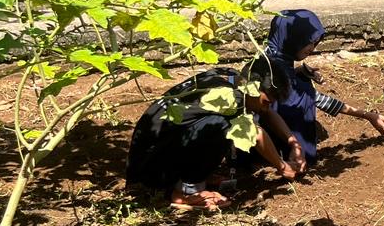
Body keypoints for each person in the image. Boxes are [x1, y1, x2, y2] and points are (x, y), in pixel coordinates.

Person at [127, 55, 300, 210]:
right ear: (251, 86)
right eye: (265, 102)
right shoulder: (229, 99)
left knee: (221, 122)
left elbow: (266, 112)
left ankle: (189, 176)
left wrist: (293, 142)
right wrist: (283, 166)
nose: (265, 107)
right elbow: (255, 133)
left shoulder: (231, 77)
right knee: (221, 125)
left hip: (156, 151)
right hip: (150, 169)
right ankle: (186, 192)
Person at [265, 10, 384, 170]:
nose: (312, 48)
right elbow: (318, 99)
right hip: (270, 134)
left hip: (261, 127)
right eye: (308, 42)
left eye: (315, 43)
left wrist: (298, 73)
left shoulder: (270, 56)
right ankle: (290, 154)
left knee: (302, 83)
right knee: (304, 92)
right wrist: (367, 115)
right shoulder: (278, 72)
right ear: (293, 39)